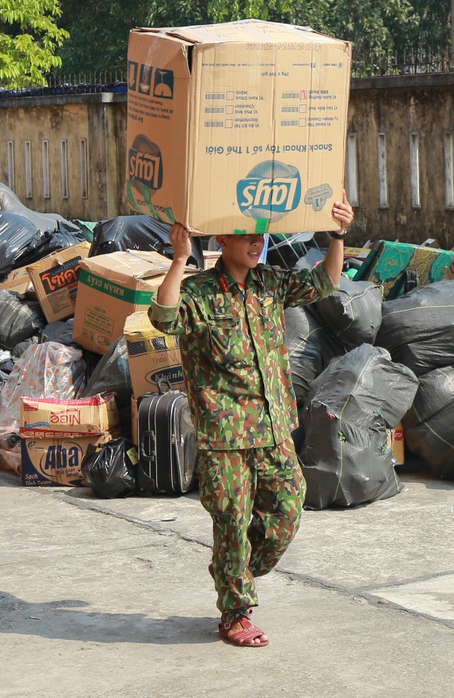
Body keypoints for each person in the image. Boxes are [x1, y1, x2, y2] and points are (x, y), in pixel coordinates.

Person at [148, 196, 354, 647]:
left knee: (287, 507)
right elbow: (163, 317)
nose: (257, 243)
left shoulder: (270, 284)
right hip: (226, 435)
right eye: (246, 235)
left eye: (260, 235)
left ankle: (233, 567)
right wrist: (180, 258)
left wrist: (337, 235)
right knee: (232, 521)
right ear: (222, 238)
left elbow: (323, 282)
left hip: (274, 425)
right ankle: (236, 612)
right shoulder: (201, 293)